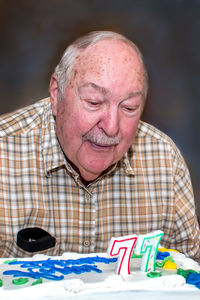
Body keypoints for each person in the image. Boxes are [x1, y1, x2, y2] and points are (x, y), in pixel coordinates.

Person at [0, 31, 199, 260]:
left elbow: (189, 274)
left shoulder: (165, 159)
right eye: (94, 102)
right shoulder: (4, 152)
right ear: (56, 93)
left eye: (129, 107)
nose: (112, 127)